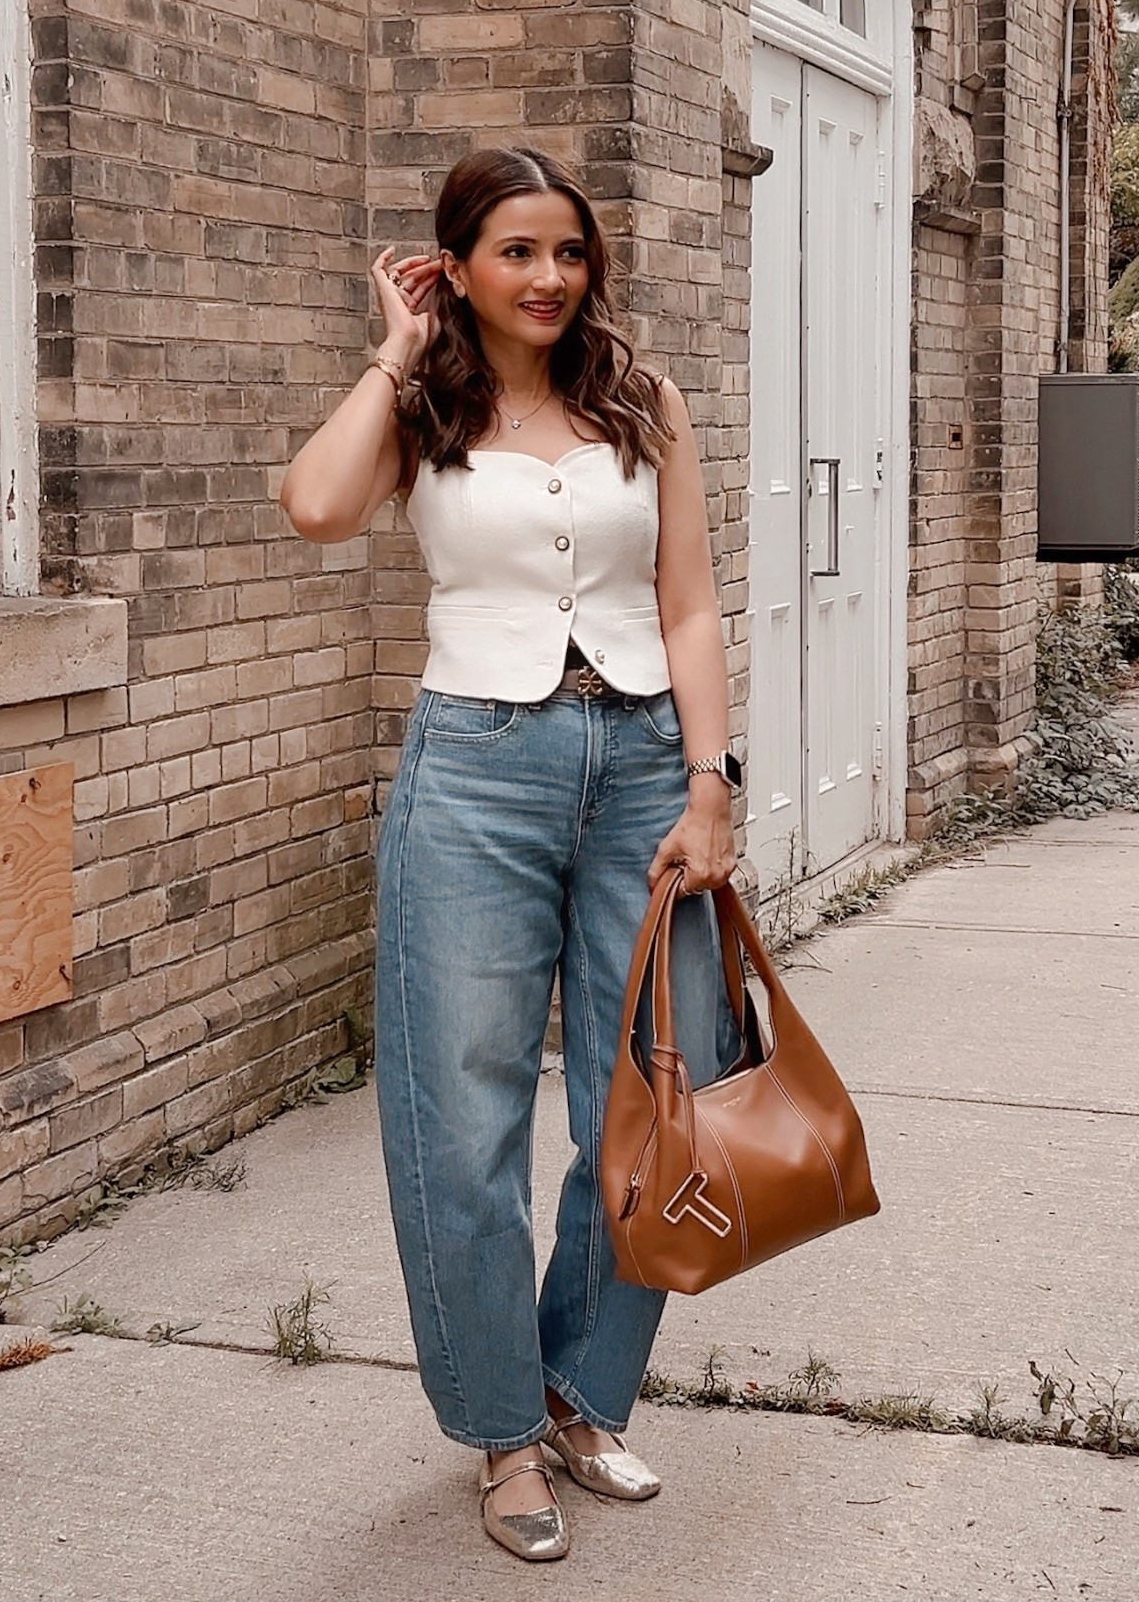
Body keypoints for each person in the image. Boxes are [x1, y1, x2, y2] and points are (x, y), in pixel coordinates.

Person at [280, 146, 742, 1563]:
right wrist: (392, 349)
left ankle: (578, 1388)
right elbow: (314, 507)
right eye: (517, 253)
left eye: (569, 252)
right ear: (457, 267)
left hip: (644, 767)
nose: (549, 279)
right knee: (462, 1114)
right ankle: (498, 1435)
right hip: (476, 770)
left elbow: (688, 604)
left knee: (664, 1089)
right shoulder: (420, 406)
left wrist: (713, 782)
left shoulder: (638, 398)